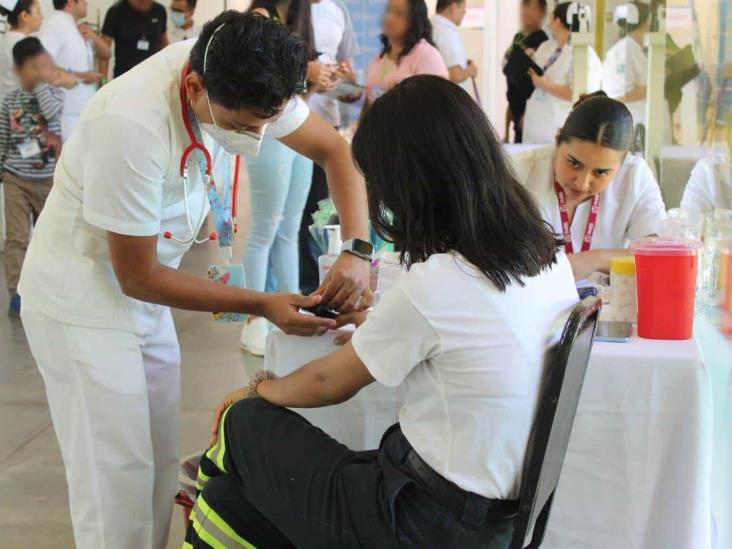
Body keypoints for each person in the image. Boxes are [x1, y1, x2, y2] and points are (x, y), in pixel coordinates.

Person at [18, 12, 371, 548]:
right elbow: (136, 276)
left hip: (145, 296)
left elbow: (335, 150)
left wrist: (357, 251)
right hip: (82, 300)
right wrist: (260, 302)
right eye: (243, 125)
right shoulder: (130, 124)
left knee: (160, 464)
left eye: (265, 124)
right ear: (194, 87)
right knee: (115, 478)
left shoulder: (247, 70)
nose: (256, 138)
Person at [185, 74, 578, 549]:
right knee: (232, 491)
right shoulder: (546, 255)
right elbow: (474, 349)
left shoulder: (437, 284)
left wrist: (255, 387)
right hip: (495, 525)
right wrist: (387, 327)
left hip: (417, 525)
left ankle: (204, 499)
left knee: (243, 424)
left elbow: (327, 383)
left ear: (409, 183)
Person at [239, 0, 337, 355]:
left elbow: (293, 91)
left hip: (296, 124)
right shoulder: (261, 16)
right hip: (268, 129)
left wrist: (318, 81)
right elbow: (252, 77)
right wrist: (305, 70)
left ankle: (292, 312)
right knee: (265, 229)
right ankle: (253, 319)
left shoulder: (299, 18)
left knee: (290, 229)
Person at [523, 92, 666, 280]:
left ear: (622, 164)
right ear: (557, 140)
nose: (582, 182)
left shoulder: (634, 175)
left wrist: (595, 260)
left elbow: (658, 256)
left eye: (600, 172)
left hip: (606, 303)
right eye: (574, 163)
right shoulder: (520, 171)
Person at [299, 0, 359, 295]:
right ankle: (287, 287)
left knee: (318, 213)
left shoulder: (339, 12)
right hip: (293, 121)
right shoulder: (292, 9)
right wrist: (309, 77)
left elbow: (350, 77)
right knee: (286, 217)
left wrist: (344, 78)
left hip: (327, 122)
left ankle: (311, 286)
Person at [2, 37, 63, 315]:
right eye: (32, 67)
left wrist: (41, 86)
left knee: (49, 238)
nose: (39, 71)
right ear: (18, 69)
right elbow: (3, 136)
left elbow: (52, 116)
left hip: (49, 178)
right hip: (16, 177)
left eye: (43, 65)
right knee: (17, 238)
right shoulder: (9, 100)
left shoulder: (54, 95)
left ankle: (48, 288)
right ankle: (16, 291)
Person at [522, 1, 603, 144]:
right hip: (536, 119)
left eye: (551, 17)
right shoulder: (546, 47)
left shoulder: (583, 55)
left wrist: (544, 84)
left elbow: (578, 94)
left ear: (557, 21)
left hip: (559, 124)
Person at [39, 0, 111, 141]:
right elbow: (41, 62)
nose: (86, 2)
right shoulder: (54, 23)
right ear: (71, 2)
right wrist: (82, 76)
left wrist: (93, 36)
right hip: (65, 112)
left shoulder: (75, 26)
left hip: (82, 110)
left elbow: (107, 54)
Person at [363, 0, 448, 109]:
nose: (389, 17)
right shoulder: (380, 57)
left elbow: (435, 104)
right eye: (388, 11)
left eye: (398, 13)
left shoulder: (426, 54)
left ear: (414, 20)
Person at [503, 0, 548, 143]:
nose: (526, 11)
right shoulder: (519, 37)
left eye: (532, 7)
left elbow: (538, 84)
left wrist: (530, 112)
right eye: (524, 6)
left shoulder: (542, 42)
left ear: (542, 13)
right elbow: (512, 80)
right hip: (515, 109)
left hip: (530, 114)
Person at [100, 0, 168, 79]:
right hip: (125, 76)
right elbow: (104, 52)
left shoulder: (160, 10)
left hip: (153, 76)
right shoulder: (116, 11)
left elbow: (164, 43)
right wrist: (102, 82)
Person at [0, 0, 44, 101]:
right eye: (38, 12)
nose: (42, 16)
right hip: (20, 109)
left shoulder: (7, 38)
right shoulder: (24, 44)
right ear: (24, 16)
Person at [431, 0, 475, 93]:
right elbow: (455, 75)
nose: (464, 12)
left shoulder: (431, 26)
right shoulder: (447, 33)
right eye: (463, 8)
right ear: (453, 7)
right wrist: (471, 70)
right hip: (447, 99)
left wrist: (461, 63)